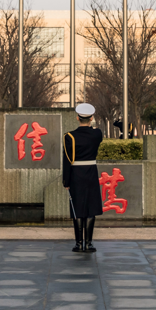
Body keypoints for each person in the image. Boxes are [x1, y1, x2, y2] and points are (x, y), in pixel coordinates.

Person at [62, 103, 104, 253]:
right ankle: (90, 243)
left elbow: (67, 160)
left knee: (77, 208)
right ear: (91, 118)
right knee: (91, 207)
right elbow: (95, 134)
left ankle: (79, 244)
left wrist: (66, 180)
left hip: (76, 174)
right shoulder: (97, 134)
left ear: (77, 118)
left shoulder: (69, 137)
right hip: (91, 172)